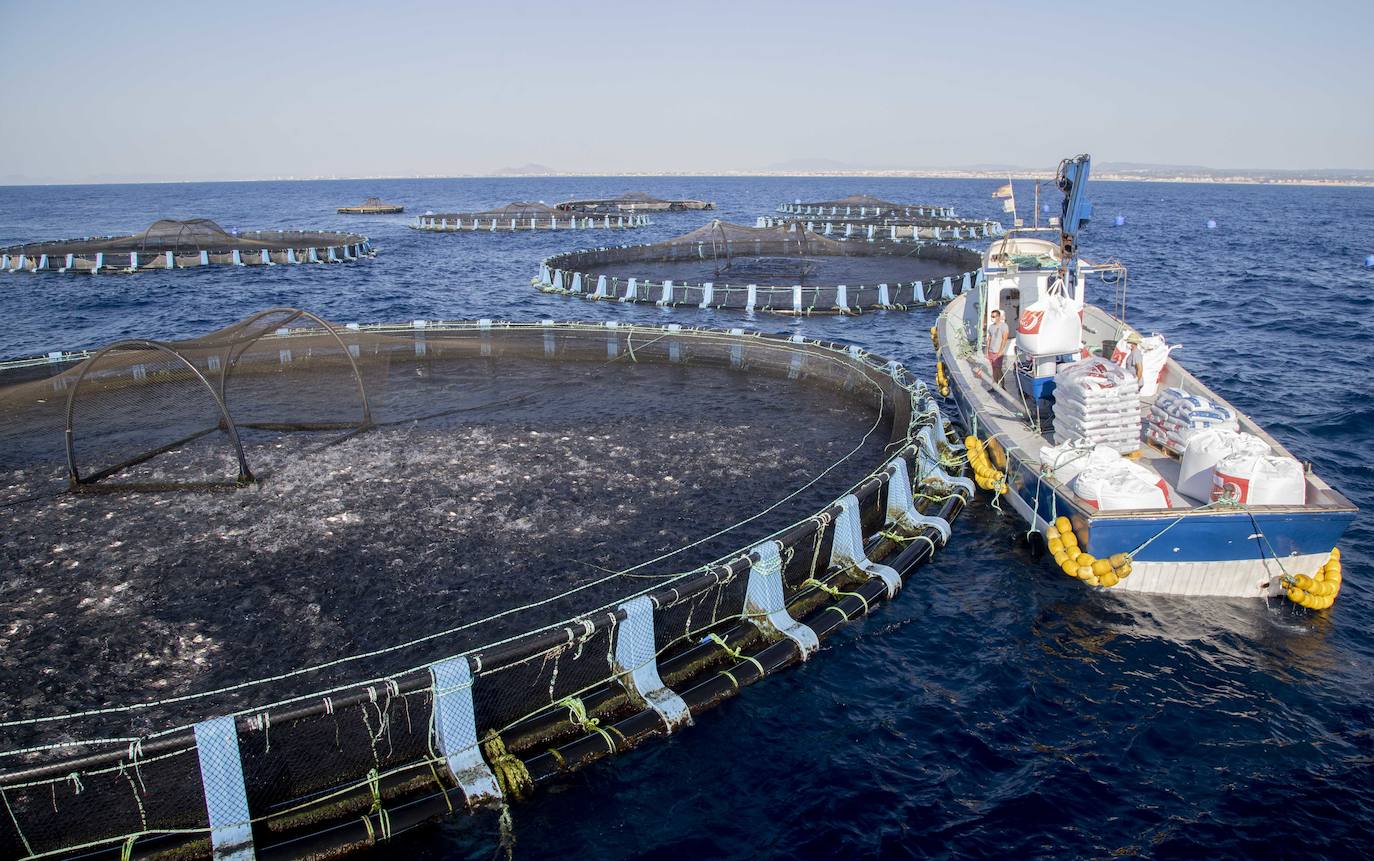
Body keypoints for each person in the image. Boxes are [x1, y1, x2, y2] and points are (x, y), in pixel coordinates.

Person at [986, 309, 1010, 383]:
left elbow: (1004, 339)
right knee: (993, 369)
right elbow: (989, 339)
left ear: (999, 317)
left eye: (994, 316)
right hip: (991, 351)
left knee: (998, 369)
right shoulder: (991, 327)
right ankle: (994, 386)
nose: (992, 318)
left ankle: (1002, 386)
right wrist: (987, 351)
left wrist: (1000, 351)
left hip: (998, 352)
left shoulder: (1004, 326)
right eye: (991, 316)